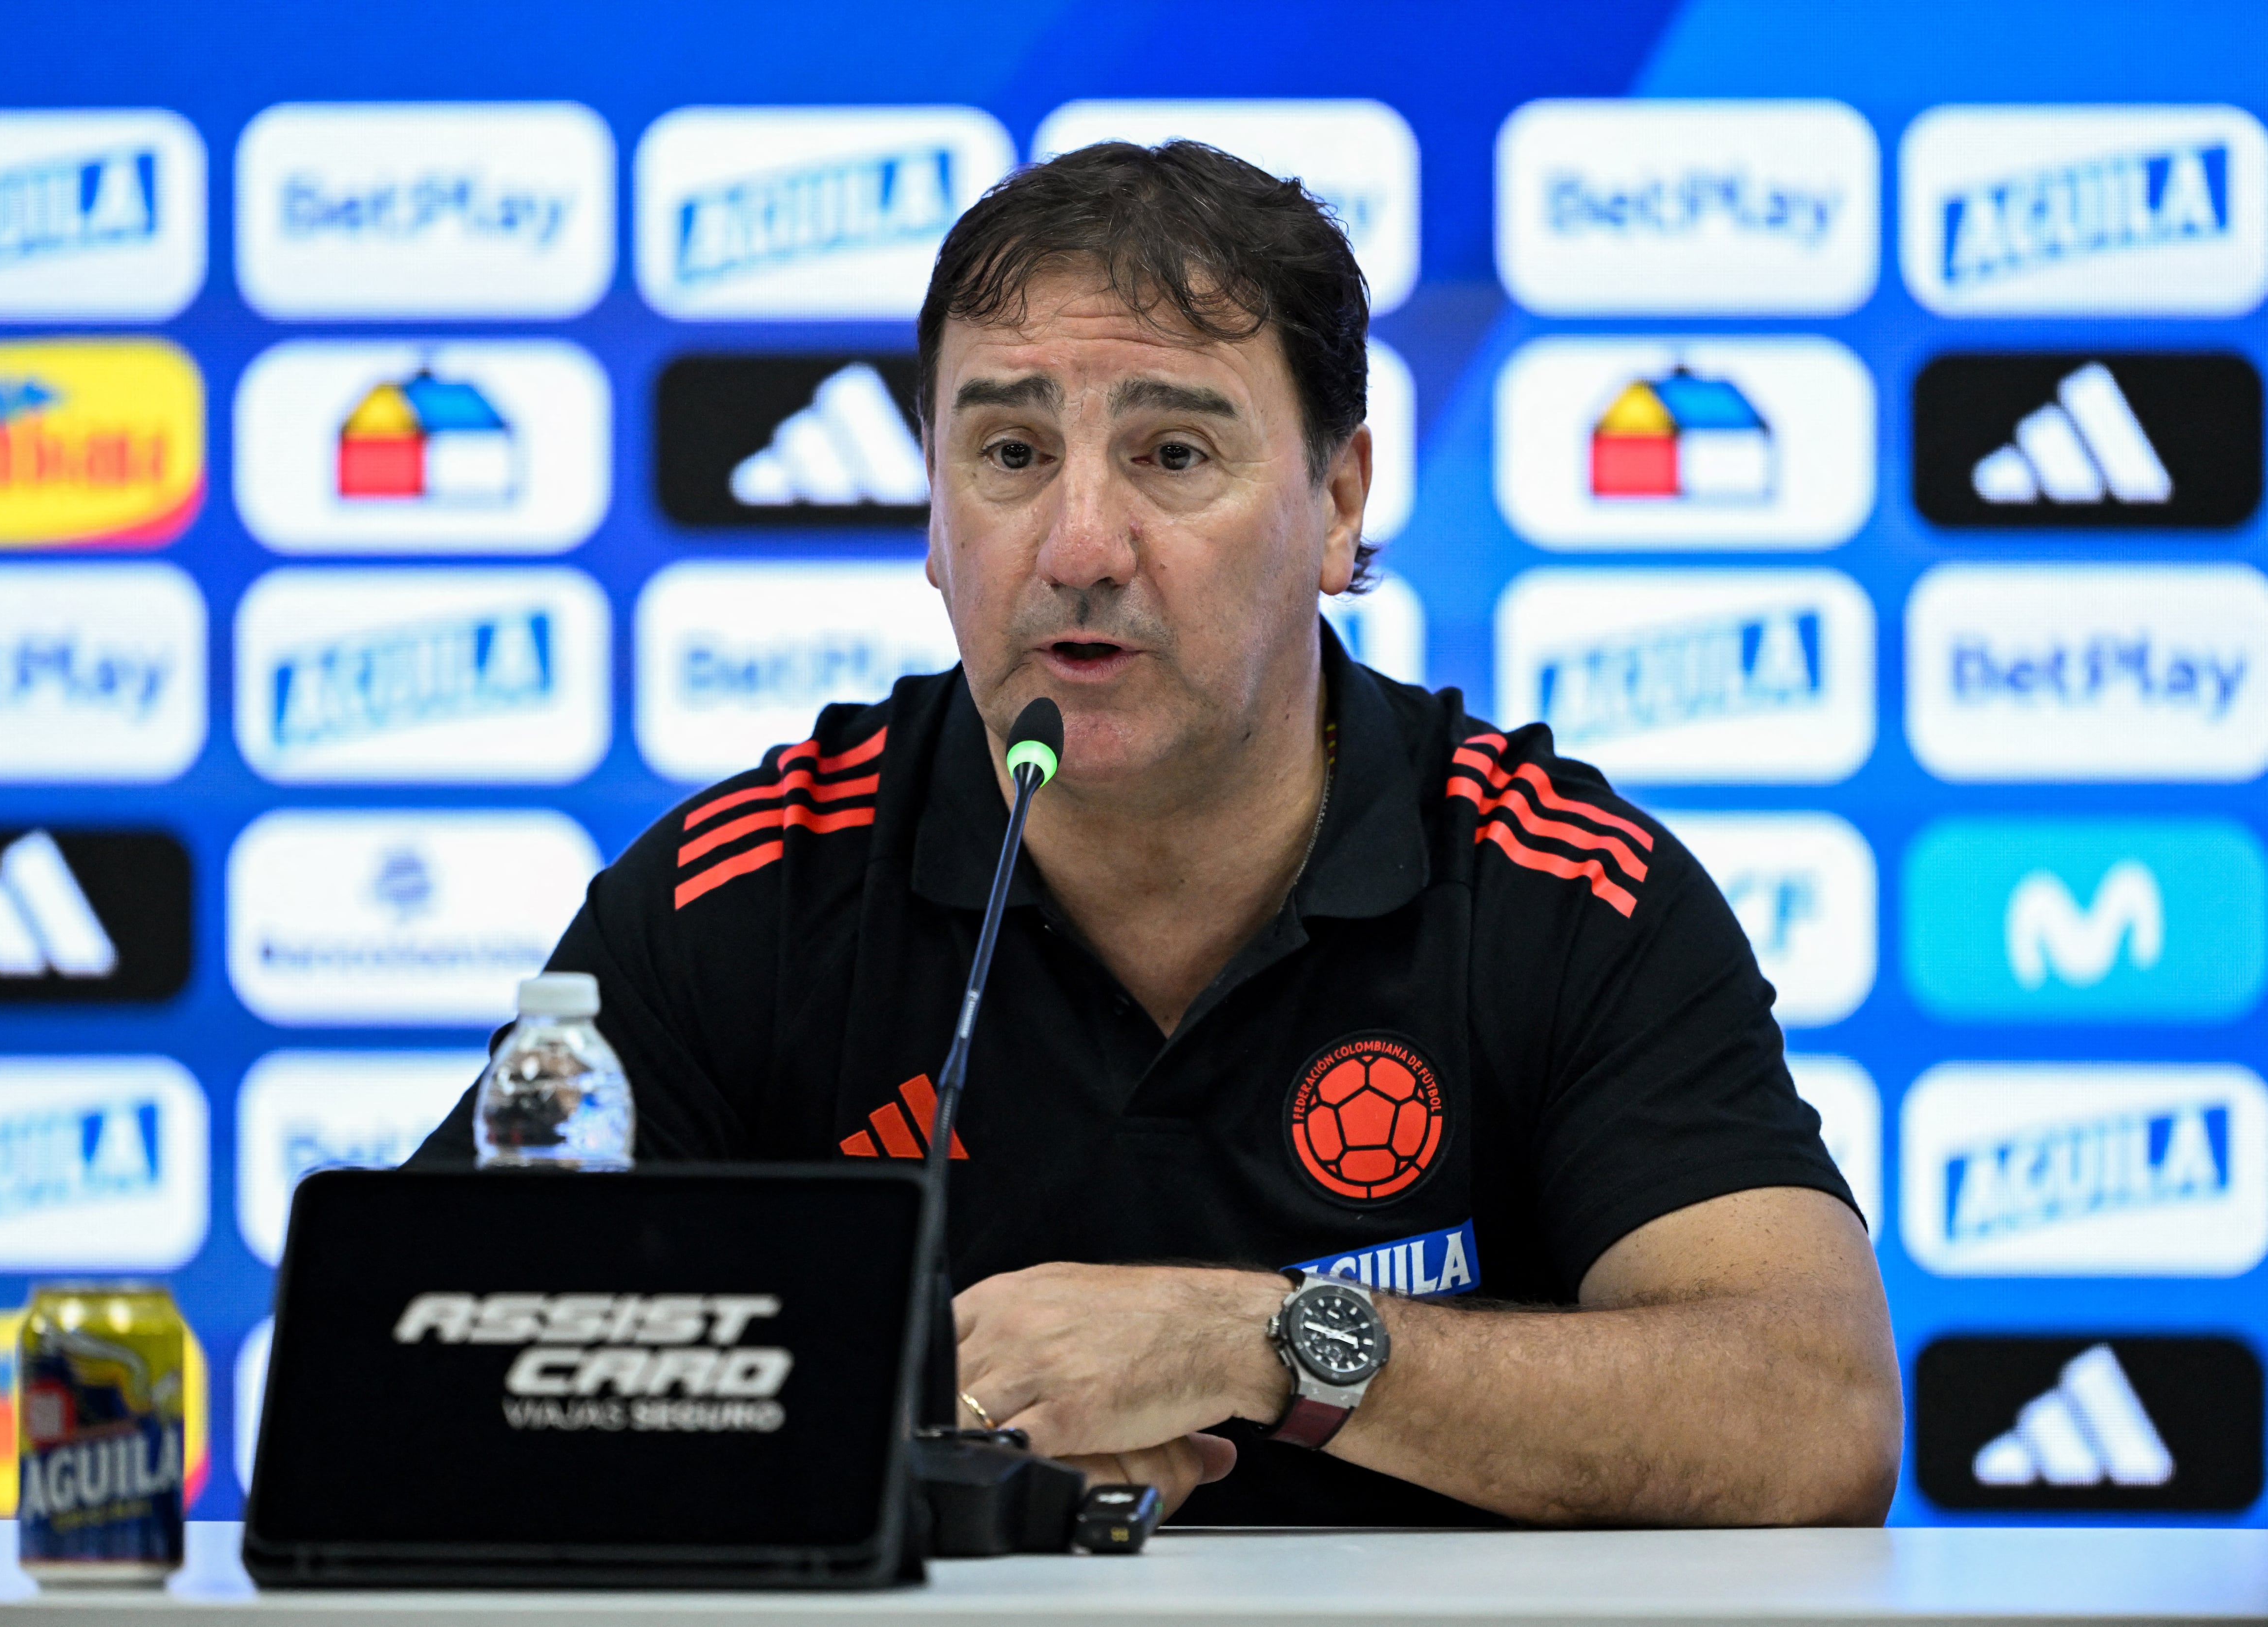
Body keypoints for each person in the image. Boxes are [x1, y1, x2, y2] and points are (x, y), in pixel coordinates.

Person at [408, 140, 1902, 1528]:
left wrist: (1265, 1347)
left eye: (1175, 456)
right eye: (1005, 456)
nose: (1076, 549)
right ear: (932, 514)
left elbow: (1817, 1414)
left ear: (1338, 500)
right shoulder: (748, 887)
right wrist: (898, 1416)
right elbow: (418, 1402)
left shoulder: (1552, 879)